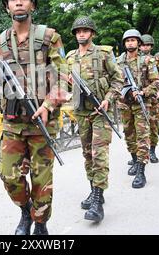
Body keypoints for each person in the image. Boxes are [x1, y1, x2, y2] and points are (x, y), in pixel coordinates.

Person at [0, 0, 70, 235]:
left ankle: (40, 223)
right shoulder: (0, 41)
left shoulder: (49, 37)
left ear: (32, 5)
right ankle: (25, 210)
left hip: (41, 122)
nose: (18, 3)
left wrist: (48, 104)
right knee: (9, 175)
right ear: (7, 7)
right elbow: (0, 76)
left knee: (41, 179)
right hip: (13, 121)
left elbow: (63, 77)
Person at [66, 16, 122, 223]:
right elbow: (65, 84)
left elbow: (118, 79)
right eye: (78, 31)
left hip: (100, 112)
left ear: (92, 33)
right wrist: (67, 82)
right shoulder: (70, 57)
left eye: (85, 30)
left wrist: (108, 99)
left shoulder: (104, 53)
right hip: (81, 112)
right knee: (87, 154)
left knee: (99, 153)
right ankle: (94, 189)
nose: (81, 33)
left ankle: (98, 201)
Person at [116, 30, 159, 189]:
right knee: (129, 134)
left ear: (139, 43)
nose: (130, 43)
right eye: (127, 41)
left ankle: (141, 170)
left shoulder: (147, 61)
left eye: (133, 40)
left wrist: (142, 92)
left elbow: (156, 83)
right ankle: (134, 160)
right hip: (124, 103)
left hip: (142, 103)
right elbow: (113, 81)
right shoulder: (118, 61)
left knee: (142, 136)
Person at [140, 35, 159, 162]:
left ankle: (152, 151)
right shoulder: (135, 60)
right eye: (142, 45)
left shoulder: (157, 62)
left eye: (147, 45)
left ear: (151, 46)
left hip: (153, 99)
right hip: (138, 98)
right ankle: (138, 155)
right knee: (137, 129)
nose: (144, 47)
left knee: (152, 126)